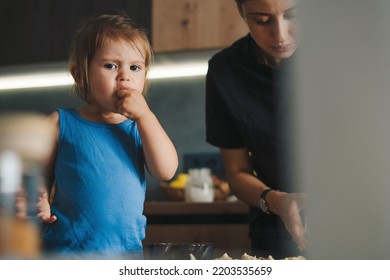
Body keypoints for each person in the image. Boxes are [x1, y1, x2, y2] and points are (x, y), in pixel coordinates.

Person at [36, 13, 178, 259]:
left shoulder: (141, 127)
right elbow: (37, 175)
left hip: (124, 256)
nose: (125, 76)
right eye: (111, 65)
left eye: (135, 67)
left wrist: (145, 116)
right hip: (66, 254)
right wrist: (37, 199)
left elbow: (165, 171)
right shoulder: (60, 123)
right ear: (80, 74)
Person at [205, 0, 307, 259]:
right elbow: (237, 172)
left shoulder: (348, 55)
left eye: (293, 15)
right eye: (262, 20)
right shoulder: (225, 70)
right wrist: (277, 202)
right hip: (274, 224)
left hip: (359, 215)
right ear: (241, 12)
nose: (280, 34)